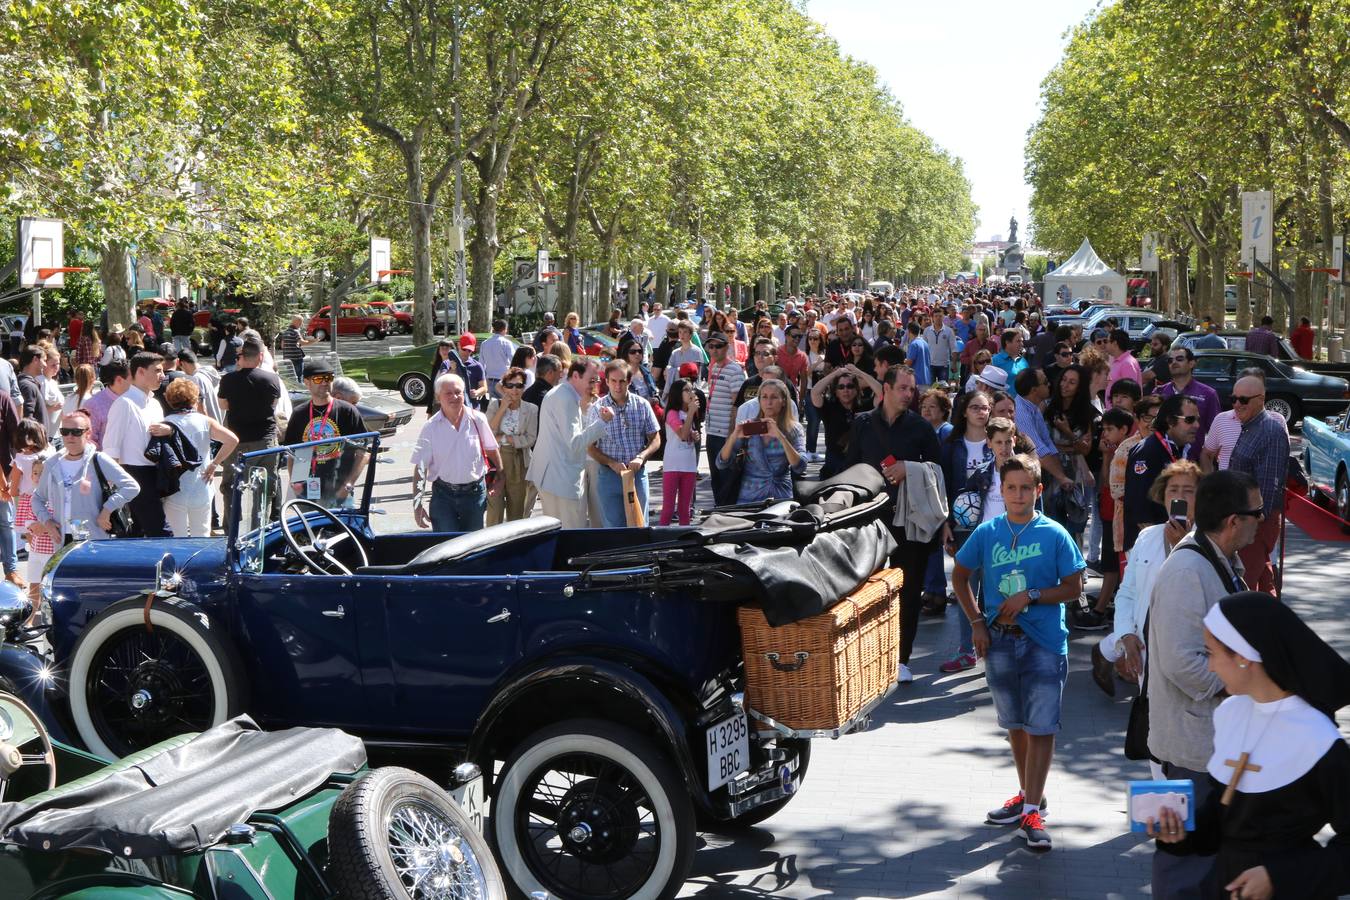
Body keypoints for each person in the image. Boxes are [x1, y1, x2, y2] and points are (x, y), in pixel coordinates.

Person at [1147, 593, 1350, 900]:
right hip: (1224, 887)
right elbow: (1226, 819)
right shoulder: (1233, 714)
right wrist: (1180, 833)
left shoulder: (1319, 740)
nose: (1210, 667)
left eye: (1211, 653)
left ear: (1243, 657)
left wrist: (1279, 876)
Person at [952, 453, 1086, 853]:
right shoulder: (989, 532)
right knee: (1015, 724)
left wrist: (1031, 596)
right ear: (1000, 490)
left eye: (1026, 487)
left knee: (1041, 726)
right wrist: (977, 623)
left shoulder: (1054, 534)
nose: (1017, 494)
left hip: (1043, 641)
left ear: (1038, 490)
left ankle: (1031, 811)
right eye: (1010, 487)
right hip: (999, 640)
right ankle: (1030, 795)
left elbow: (1075, 587)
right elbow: (960, 576)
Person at [1146, 469, 1263, 898]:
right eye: (1258, 513)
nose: (1262, 520)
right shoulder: (1186, 570)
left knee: (1212, 864)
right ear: (1234, 520)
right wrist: (1247, 682)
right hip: (1191, 753)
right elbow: (1181, 663)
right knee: (1187, 866)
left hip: (1215, 748)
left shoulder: (1219, 560)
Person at [845, 365, 943, 683]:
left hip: (909, 521)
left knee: (909, 588)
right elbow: (849, 467)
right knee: (867, 588)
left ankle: (901, 658)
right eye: (902, 388)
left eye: (912, 389)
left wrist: (909, 468)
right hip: (869, 520)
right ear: (885, 389)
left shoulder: (921, 428)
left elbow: (939, 472)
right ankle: (868, 655)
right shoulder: (861, 423)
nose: (908, 394)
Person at [1091, 458, 1198, 700]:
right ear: (1162, 495)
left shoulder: (1208, 541)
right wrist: (1126, 636)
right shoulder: (1147, 537)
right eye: (1173, 490)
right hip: (1146, 660)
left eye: (1188, 491)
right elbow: (1127, 592)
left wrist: (1180, 545)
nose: (1179, 496)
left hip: (1185, 664)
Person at [936, 396, 1000, 672]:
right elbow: (944, 484)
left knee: (996, 589)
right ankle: (966, 649)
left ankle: (995, 647)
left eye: (985, 407)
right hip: (963, 528)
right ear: (964, 412)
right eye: (975, 407)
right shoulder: (953, 445)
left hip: (994, 525)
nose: (981, 412)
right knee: (966, 588)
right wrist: (945, 522)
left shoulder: (997, 441)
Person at [526, 358, 614, 528]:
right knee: (571, 534)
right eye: (591, 380)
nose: (594, 384)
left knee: (558, 534)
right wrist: (602, 422)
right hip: (561, 480)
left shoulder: (561, 393)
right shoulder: (565, 398)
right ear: (575, 376)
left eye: (596, 380)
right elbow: (574, 443)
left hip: (553, 478)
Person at [30, 411, 140, 544]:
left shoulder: (98, 459)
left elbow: (132, 486)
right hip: (62, 538)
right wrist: (47, 522)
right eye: (65, 431)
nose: (70, 436)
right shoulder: (52, 464)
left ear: (88, 433)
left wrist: (107, 510)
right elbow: (37, 498)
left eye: (76, 432)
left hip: (94, 537)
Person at [411, 373, 501, 532]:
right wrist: (417, 505)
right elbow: (420, 467)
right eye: (448, 393)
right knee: (445, 547)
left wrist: (501, 477)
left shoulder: (478, 419)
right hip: (443, 496)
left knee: (472, 546)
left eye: (458, 392)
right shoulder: (430, 427)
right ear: (439, 397)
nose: (454, 396)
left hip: (474, 496)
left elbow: (492, 450)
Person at [1224, 374, 1289, 595]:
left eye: (1243, 400)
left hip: (1254, 524)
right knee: (1262, 581)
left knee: (1244, 588)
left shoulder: (1269, 430)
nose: (1236, 404)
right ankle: (1274, 627)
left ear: (1261, 399)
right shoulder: (1252, 425)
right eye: (1233, 398)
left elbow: (1267, 489)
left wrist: (1247, 527)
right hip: (1243, 521)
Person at [282, 359, 369, 508]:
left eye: (328, 378)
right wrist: (294, 481)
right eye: (318, 379)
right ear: (307, 382)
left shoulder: (347, 411)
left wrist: (348, 484)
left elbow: (364, 453)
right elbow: (292, 453)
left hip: (338, 489)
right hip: (307, 490)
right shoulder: (299, 413)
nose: (324, 382)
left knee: (341, 530)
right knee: (308, 530)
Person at [103, 351, 172, 537]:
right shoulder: (124, 403)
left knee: (138, 532)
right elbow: (111, 446)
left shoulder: (155, 403)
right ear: (140, 372)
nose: (163, 376)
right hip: (133, 474)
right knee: (160, 530)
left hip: (154, 472)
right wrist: (114, 485)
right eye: (157, 371)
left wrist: (169, 431)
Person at [160, 378, 238, 537]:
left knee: (177, 537)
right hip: (202, 485)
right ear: (194, 398)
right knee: (201, 535)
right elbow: (232, 440)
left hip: (175, 489)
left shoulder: (165, 424)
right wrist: (215, 463)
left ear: (169, 400)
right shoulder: (205, 421)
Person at [217, 337, 283, 525]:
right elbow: (273, 404)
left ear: (241, 357)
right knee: (264, 490)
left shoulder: (228, 380)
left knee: (231, 487)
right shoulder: (272, 378)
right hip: (265, 440)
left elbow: (223, 406)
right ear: (260, 356)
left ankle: (231, 529)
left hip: (236, 441)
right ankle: (258, 531)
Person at [587, 360, 660, 528]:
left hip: (636, 473)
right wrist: (611, 463)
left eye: (622, 381)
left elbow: (655, 439)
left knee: (640, 526)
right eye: (613, 381)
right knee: (614, 530)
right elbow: (590, 447)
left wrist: (641, 457)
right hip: (609, 475)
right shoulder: (597, 409)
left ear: (629, 381)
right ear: (606, 381)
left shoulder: (642, 405)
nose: (617, 386)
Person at [1123, 394, 1200, 552]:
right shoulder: (1147, 451)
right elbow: (1139, 507)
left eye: (1198, 419)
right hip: (1150, 545)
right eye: (1190, 420)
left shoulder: (1181, 449)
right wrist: (1160, 545)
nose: (1197, 425)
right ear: (1170, 421)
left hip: (1173, 538)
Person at [717, 379, 805, 502]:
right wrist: (734, 436)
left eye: (774, 397)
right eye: (764, 397)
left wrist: (780, 436)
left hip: (781, 498)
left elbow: (800, 466)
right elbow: (721, 463)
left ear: (784, 401)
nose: (768, 402)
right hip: (749, 497)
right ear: (759, 401)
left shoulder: (793, 429)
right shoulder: (750, 426)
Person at [485, 367, 537, 524]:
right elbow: (488, 433)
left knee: (517, 510)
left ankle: (515, 544)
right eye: (510, 385)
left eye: (519, 385)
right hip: (496, 461)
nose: (514, 390)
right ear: (504, 387)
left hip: (519, 461)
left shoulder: (531, 409)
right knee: (495, 508)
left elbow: (530, 438)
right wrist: (502, 408)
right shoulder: (495, 405)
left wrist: (505, 437)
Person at [701, 334, 746, 506]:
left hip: (725, 434)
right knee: (716, 476)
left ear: (726, 347)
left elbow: (737, 404)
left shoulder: (734, 370)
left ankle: (727, 510)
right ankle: (719, 508)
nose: (713, 350)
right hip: (712, 430)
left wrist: (731, 434)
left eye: (718, 346)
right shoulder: (713, 367)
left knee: (726, 476)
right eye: (710, 347)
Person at [811, 364, 879, 479]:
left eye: (850, 386)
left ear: (857, 390)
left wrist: (858, 372)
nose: (846, 390)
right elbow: (815, 392)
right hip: (834, 464)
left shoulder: (865, 406)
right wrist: (835, 374)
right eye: (841, 387)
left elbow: (881, 394)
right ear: (836, 392)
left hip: (860, 463)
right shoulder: (829, 407)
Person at [10, 419, 54, 597]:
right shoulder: (51, 452)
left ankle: (37, 584)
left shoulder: (20, 458)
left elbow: (14, 489)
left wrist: (10, 491)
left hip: (28, 500)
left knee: (32, 541)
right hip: (50, 498)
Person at [659, 378, 702, 526]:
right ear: (678, 393)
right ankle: (659, 539)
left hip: (689, 465)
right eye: (687, 390)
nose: (691, 393)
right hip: (673, 465)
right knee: (669, 509)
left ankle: (685, 539)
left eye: (692, 389)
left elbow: (688, 434)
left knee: (685, 509)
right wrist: (691, 412)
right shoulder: (672, 413)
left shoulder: (691, 412)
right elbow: (682, 435)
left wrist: (695, 435)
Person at [480, 319, 516, 398]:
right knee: (506, 406)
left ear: (494, 329)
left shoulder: (484, 343)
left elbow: (481, 364)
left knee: (494, 407)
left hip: (490, 381)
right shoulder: (506, 343)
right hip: (503, 382)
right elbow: (514, 361)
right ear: (504, 329)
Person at [1104, 329, 1142, 398]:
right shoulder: (1114, 360)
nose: (1105, 344)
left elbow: (1129, 392)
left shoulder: (1127, 363)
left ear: (1115, 343)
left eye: (1107, 341)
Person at [991, 329, 1030, 396]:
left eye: (1022, 341)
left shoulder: (1023, 361)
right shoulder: (994, 361)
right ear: (1007, 342)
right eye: (1018, 341)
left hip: (1023, 403)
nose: (1022, 344)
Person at [276, 315, 315, 379]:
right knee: (299, 376)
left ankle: (293, 388)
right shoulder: (296, 331)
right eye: (300, 322)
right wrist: (314, 341)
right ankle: (300, 388)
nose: (301, 324)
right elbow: (302, 342)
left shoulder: (285, 332)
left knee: (292, 377)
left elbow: (282, 345)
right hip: (297, 358)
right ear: (296, 322)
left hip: (288, 359)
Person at [903, 321, 932, 388]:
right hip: (927, 380)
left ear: (909, 331)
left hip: (917, 381)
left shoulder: (913, 344)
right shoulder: (925, 343)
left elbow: (909, 363)